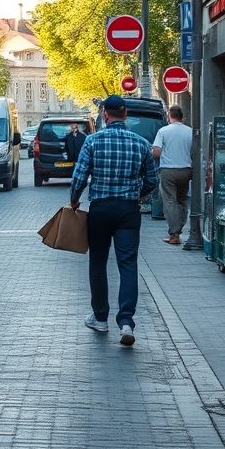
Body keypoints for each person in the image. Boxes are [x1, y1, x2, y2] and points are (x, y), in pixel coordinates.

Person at [70, 95, 158, 346]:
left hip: (100, 209)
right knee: (128, 264)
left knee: (98, 262)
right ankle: (127, 321)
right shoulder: (141, 143)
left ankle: (100, 318)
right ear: (125, 113)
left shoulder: (92, 141)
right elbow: (152, 180)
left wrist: (75, 200)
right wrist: (137, 195)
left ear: (105, 115)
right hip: (128, 211)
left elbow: (79, 176)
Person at [152, 105, 193, 246]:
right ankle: (179, 228)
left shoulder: (163, 131)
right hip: (186, 170)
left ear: (169, 115)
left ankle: (174, 234)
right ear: (182, 116)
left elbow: (156, 152)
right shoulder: (190, 131)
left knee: (170, 201)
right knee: (182, 201)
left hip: (168, 170)